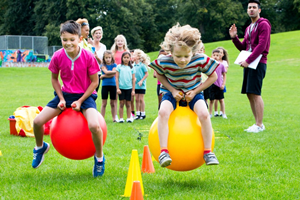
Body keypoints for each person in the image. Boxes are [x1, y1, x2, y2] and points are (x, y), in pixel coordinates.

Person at [31, 20, 105, 177]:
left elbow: (95, 82)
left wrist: (80, 101)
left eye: (72, 39)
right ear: (61, 39)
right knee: (37, 122)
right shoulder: (57, 56)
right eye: (65, 40)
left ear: (79, 39)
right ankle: (40, 148)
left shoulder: (88, 56)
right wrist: (61, 98)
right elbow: (54, 79)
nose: (68, 43)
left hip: (85, 96)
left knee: (94, 126)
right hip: (65, 95)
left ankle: (99, 158)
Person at [149, 23, 220, 167]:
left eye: (186, 56)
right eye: (178, 56)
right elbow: (159, 75)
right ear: (171, 51)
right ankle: (163, 152)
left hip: (194, 93)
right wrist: (173, 90)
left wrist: (195, 91)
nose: (182, 60)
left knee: (205, 114)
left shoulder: (200, 59)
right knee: (163, 112)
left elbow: (213, 77)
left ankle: (208, 152)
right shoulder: (164, 61)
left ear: (193, 51)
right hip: (170, 92)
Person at [229, 0, 271, 133]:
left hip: (258, 63)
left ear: (259, 10)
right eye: (249, 8)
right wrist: (234, 37)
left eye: (254, 7)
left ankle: (259, 125)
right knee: (249, 93)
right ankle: (256, 124)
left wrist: (248, 60)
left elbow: (262, 46)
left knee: (256, 93)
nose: (251, 9)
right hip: (249, 63)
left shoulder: (263, 24)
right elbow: (244, 47)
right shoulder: (249, 28)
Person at [116, 52, 135, 123]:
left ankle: (129, 118)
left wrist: (133, 90)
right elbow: (117, 78)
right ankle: (121, 118)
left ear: (130, 58)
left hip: (129, 88)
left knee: (128, 103)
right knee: (121, 103)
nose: (126, 59)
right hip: (121, 88)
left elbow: (133, 79)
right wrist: (117, 88)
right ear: (122, 58)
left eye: (127, 58)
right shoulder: (119, 67)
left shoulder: (132, 67)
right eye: (124, 57)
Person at [209, 49, 227, 119]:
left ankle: (223, 113)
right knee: (211, 100)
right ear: (211, 56)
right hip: (211, 84)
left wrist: (223, 84)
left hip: (219, 85)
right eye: (214, 55)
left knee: (221, 99)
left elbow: (224, 75)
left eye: (217, 55)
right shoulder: (209, 64)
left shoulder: (221, 65)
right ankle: (210, 114)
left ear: (220, 56)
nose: (215, 57)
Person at [100, 50, 118, 122]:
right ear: (104, 58)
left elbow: (113, 74)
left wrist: (103, 76)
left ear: (111, 58)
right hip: (105, 85)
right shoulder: (102, 65)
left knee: (112, 103)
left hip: (113, 85)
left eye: (109, 57)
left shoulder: (114, 65)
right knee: (104, 103)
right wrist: (108, 73)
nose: (108, 59)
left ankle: (114, 118)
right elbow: (107, 72)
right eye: (106, 58)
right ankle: (102, 119)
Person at [133, 49, 150, 120]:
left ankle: (143, 113)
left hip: (142, 85)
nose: (132, 56)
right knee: (136, 99)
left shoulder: (142, 65)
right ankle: (138, 113)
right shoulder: (133, 65)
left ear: (138, 57)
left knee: (141, 99)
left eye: (134, 55)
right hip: (135, 85)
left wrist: (141, 81)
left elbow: (146, 74)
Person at [91, 26, 107, 92]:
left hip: (98, 72)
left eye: (99, 33)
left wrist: (97, 58)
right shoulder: (89, 45)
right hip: (89, 72)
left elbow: (104, 62)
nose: (98, 35)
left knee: (95, 92)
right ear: (93, 35)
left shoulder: (103, 47)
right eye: (96, 33)